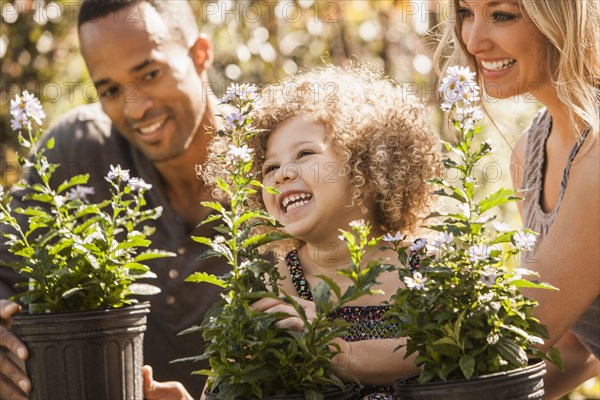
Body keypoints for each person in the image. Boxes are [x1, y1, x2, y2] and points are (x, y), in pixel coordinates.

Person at [0, 1, 229, 398]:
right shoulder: (77, 153)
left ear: (199, 55)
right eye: (110, 89)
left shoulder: (279, 161)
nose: (136, 107)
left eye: (150, 73)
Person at [232, 64, 440, 398]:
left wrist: (344, 354)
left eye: (304, 153)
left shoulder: (423, 265)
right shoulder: (277, 280)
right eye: (269, 167)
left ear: (370, 164)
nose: (281, 174)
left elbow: (447, 349)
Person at [434, 0, 599, 398]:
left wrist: (350, 342)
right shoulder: (529, 152)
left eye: (502, 15)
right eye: (465, 13)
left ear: (560, 18)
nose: (473, 41)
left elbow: (523, 331)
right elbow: (579, 346)